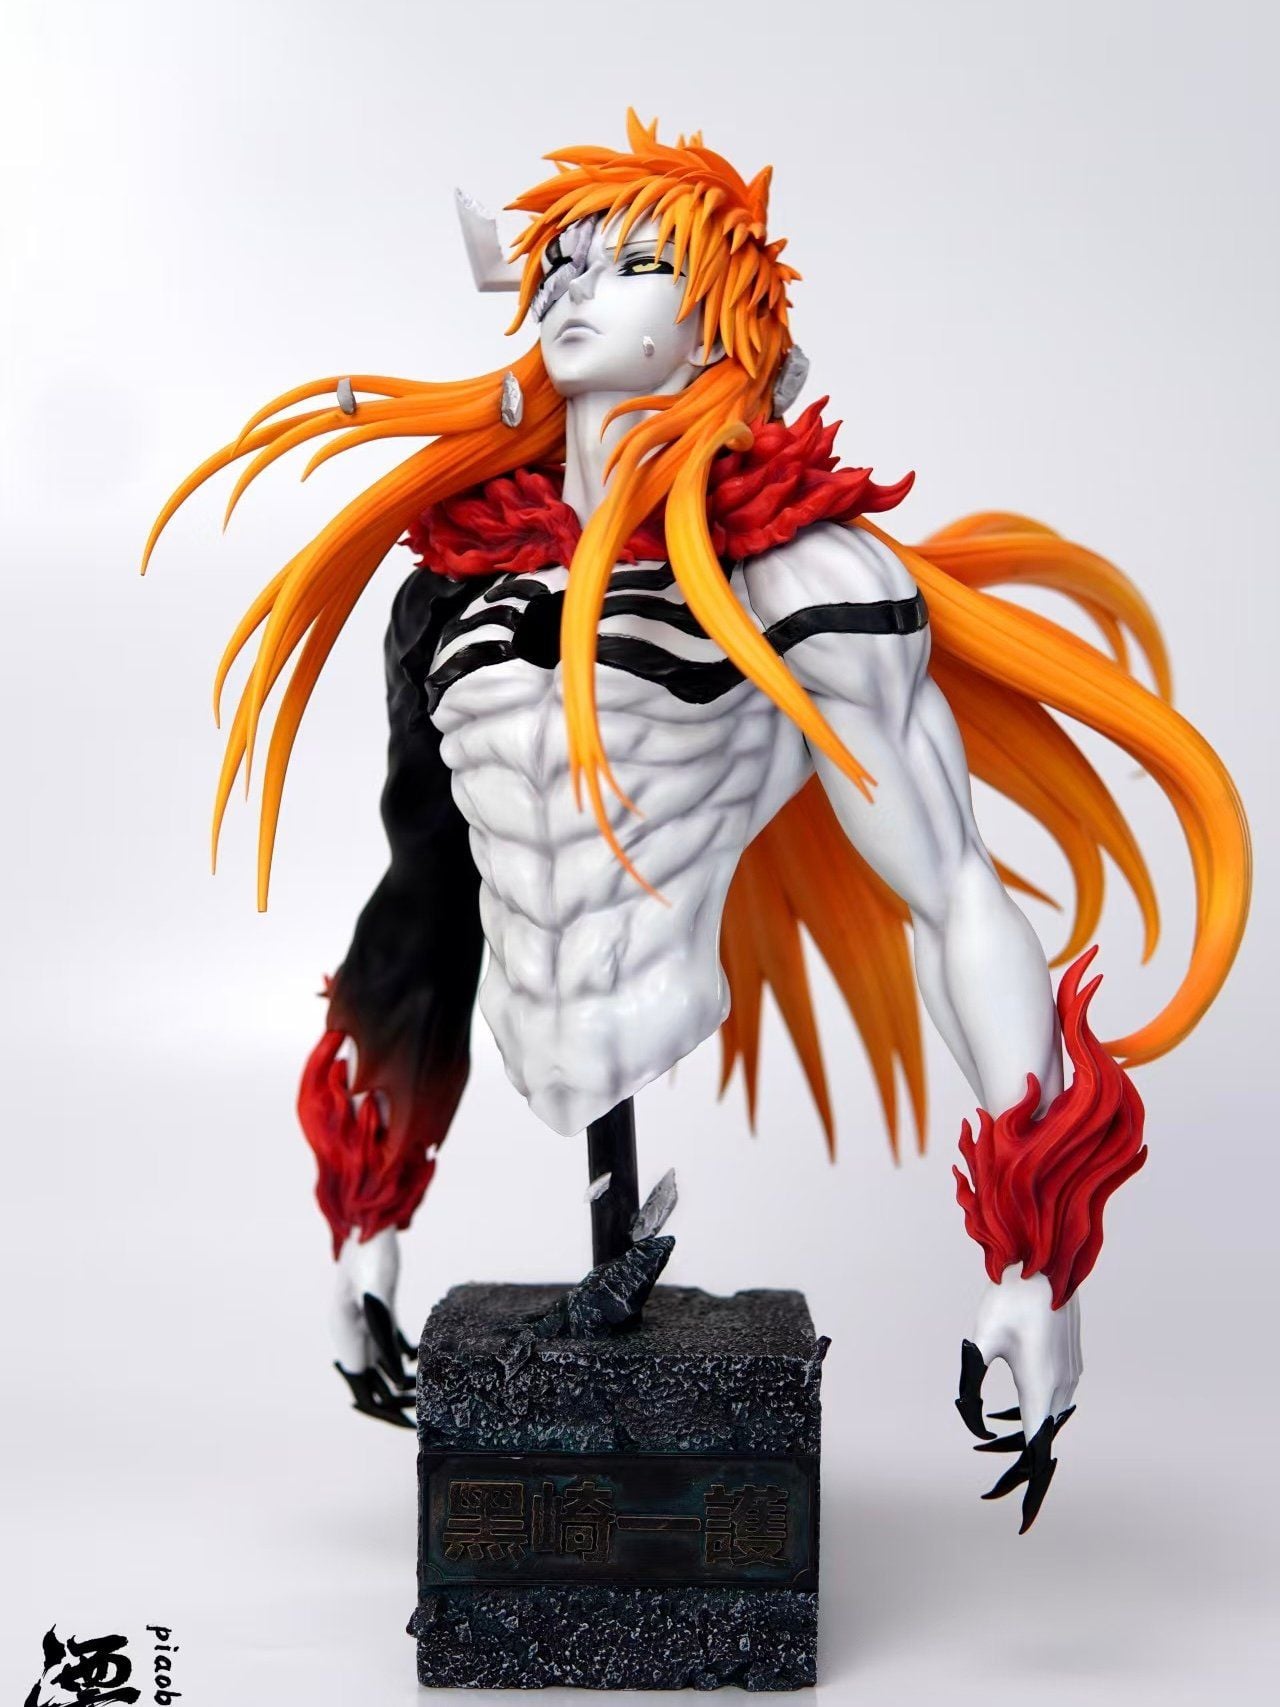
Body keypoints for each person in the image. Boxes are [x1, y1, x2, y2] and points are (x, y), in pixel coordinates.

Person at [144, 112, 1250, 1532]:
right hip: (530, 1035)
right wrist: (368, 1218)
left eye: (637, 264)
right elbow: (425, 904)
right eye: (565, 259)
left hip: (658, 995)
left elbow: (954, 892)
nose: (578, 286)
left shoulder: (802, 580)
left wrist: (1038, 1262)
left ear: (722, 324)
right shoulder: (451, 593)